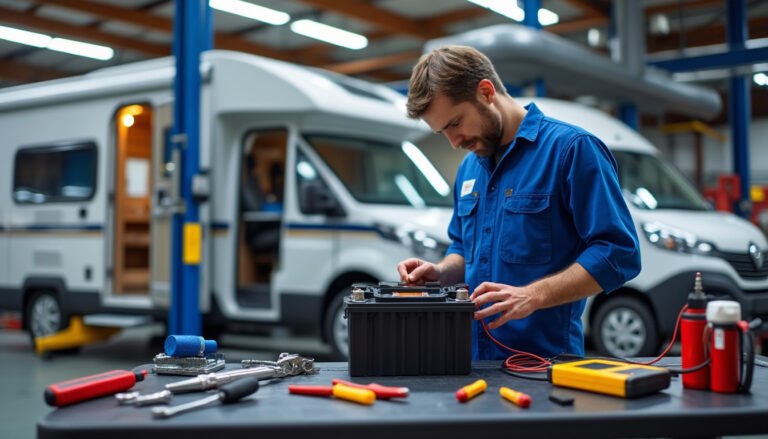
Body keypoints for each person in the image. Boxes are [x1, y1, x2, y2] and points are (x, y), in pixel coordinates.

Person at [397, 45, 641, 360]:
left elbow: (619, 252)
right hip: (473, 362)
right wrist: (442, 272)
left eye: (455, 123)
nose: (454, 142)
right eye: (443, 131)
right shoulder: (470, 168)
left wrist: (533, 296)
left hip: (546, 365)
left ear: (486, 92)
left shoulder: (571, 151)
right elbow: (462, 247)